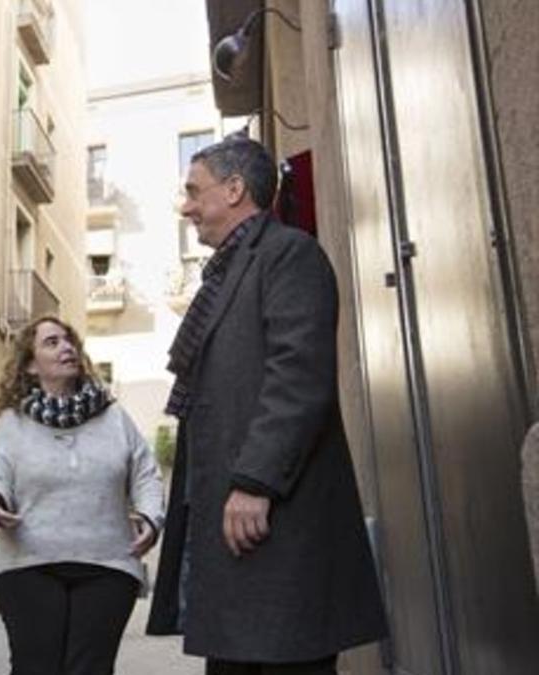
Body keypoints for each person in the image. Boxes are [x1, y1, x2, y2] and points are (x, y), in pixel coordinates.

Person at [146, 136, 387, 675]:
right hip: (232, 540)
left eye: (194, 191)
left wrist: (255, 481)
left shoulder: (288, 254)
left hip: (277, 523)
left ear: (234, 190)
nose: (185, 207)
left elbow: (297, 377)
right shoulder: (227, 273)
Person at [0, 316, 164, 675]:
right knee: (36, 667)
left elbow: (147, 474)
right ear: (31, 365)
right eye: (51, 342)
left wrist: (151, 518)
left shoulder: (114, 418)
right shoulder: (12, 423)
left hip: (107, 564)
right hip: (27, 564)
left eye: (69, 341)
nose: (66, 347)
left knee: (90, 668)